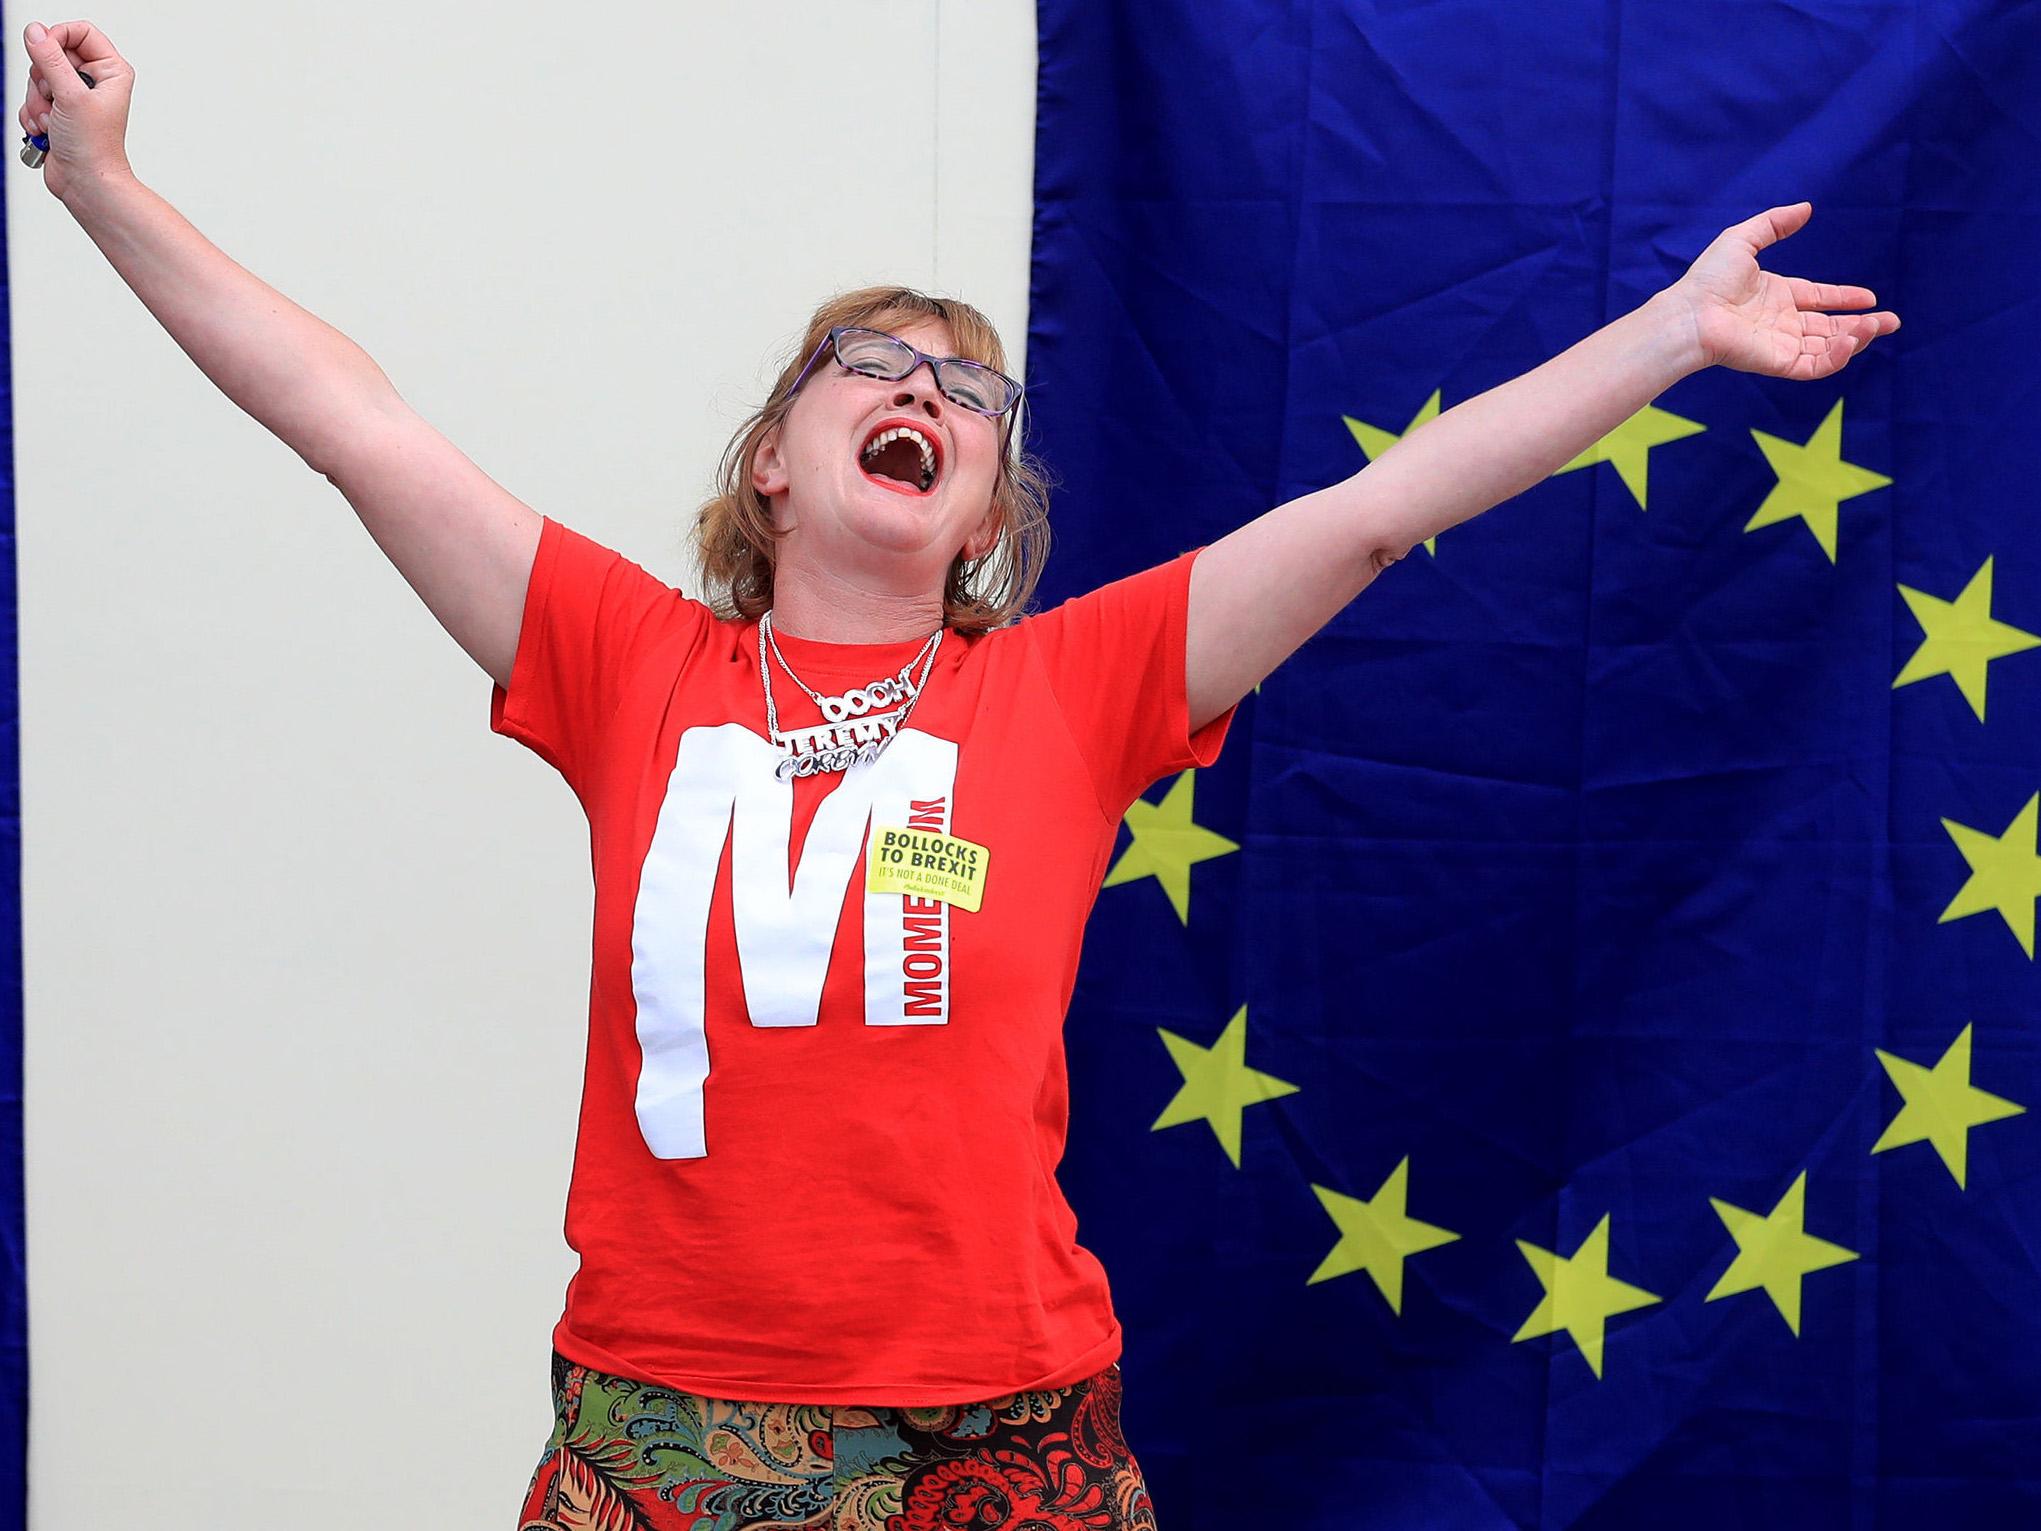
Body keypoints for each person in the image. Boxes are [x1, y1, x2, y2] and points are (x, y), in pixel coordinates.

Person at [19, 18, 1900, 1531]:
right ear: (774, 457)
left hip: (1008, 1432)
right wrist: (103, 188)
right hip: (671, 1432)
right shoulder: (623, 663)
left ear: (990, 511)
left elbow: (1381, 504)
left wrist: (1672, 332)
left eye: (972, 395)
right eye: (870, 367)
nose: (926, 393)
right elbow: (351, 421)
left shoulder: (1071, 689)